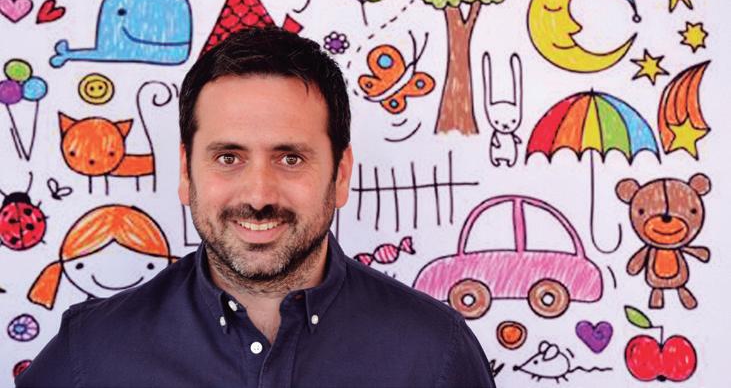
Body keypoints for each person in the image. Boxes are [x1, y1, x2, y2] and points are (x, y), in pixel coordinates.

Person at [16, 27, 496, 388]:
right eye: (229, 158)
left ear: (340, 174)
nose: (259, 195)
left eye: (290, 158)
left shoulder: (437, 355)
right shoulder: (91, 354)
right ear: (185, 172)